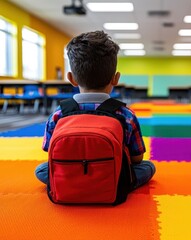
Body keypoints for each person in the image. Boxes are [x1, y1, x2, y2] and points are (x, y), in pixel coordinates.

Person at [35, 30, 156, 191]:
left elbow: (50, 150)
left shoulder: (59, 113)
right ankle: (108, 184)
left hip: (71, 171)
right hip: (112, 175)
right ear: (116, 78)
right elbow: (137, 158)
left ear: (71, 79)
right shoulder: (125, 114)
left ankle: (72, 183)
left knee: (42, 169)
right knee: (148, 166)